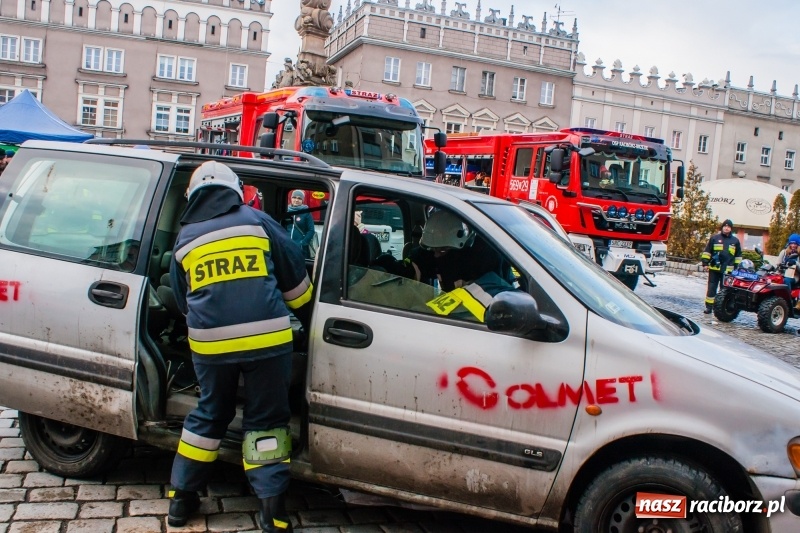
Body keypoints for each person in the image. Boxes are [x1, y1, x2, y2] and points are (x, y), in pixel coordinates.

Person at [167, 161, 313, 532]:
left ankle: (181, 502)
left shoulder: (185, 238)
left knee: (209, 415)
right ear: (235, 190)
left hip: (212, 346)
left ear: (193, 196)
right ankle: (272, 513)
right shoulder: (256, 221)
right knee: (266, 419)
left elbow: (185, 303)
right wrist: (306, 316)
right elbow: (296, 282)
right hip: (268, 343)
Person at [373, 209, 514, 322]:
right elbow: (412, 269)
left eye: (442, 250)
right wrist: (382, 270)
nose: (436, 255)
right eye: (432, 250)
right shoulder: (434, 253)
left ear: (462, 247)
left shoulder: (486, 266)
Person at [700, 219, 741, 314]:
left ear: (731, 229)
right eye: (725, 226)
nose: (726, 228)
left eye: (728, 227)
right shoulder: (714, 238)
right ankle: (709, 307)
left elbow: (738, 256)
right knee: (711, 288)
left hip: (728, 271)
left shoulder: (735, 241)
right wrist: (705, 263)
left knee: (725, 290)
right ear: (722, 227)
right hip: (714, 269)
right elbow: (707, 251)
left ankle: (721, 309)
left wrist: (737, 268)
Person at [287, 190, 315, 259]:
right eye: (294, 197)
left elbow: (311, 230)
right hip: (287, 246)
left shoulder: (306, 212)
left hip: (300, 248)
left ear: (302, 200)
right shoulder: (286, 210)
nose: (296, 200)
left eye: (299, 198)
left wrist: (303, 243)